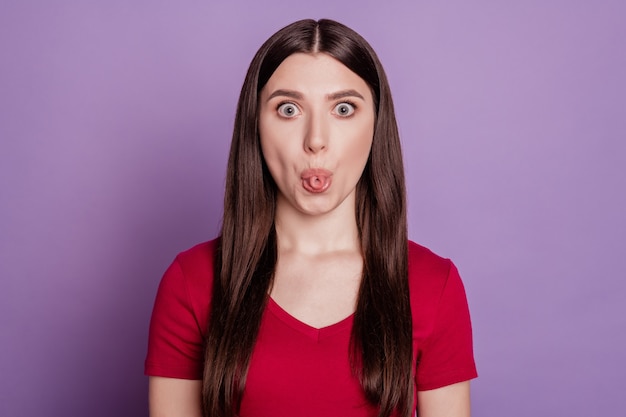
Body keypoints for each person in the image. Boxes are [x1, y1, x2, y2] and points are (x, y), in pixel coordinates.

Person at [145, 18, 477, 417]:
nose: (315, 139)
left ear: (376, 126)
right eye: (288, 109)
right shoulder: (191, 282)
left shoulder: (433, 286)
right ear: (256, 126)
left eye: (343, 108)